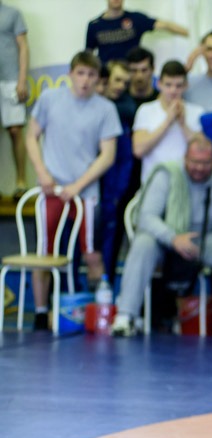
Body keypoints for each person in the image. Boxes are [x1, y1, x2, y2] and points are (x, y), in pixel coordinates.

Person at [110, 136, 212, 338]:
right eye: (195, 162)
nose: (200, 168)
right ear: (185, 158)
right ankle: (126, 315)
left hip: (198, 241)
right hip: (163, 240)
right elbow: (145, 217)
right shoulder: (167, 174)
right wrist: (173, 238)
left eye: (206, 163)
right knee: (143, 242)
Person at [25, 51, 122, 329]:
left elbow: (108, 155)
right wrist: (42, 173)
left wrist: (78, 186)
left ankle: (98, 312)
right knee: (43, 253)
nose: (85, 80)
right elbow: (31, 137)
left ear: (98, 78)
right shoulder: (49, 99)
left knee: (92, 254)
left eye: (91, 75)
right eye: (80, 73)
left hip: (85, 192)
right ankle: (40, 314)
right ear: (70, 74)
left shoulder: (105, 109)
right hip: (50, 189)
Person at [132, 60, 203, 184]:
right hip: (153, 183)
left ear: (186, 86)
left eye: (178, 86)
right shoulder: (145, 110)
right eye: (168, 85)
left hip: (186, 184)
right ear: (159, 84)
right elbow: (139, 150)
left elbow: (201, 151)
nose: (173, 90)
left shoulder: (197, 112)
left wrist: (183, 124)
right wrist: (167, 122)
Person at [98, 60, 137, 277]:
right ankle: (67, 290)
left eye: (125, 83)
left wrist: (117, 192)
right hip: (81, 188)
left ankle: (107, 284)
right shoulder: (87, 107)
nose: (121, 86)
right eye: (117, 80)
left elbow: (125, 159)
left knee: (109, 242)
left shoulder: (124, 111)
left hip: (110, 190)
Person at [86, 0, 187, 65]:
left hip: (133, 74)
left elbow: (165, 25)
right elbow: (87, 55)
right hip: (107, 78)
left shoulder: (136, 19)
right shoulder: (94, 25)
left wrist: (190, 35)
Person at [1, 1, 28, 199]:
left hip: (11, 80)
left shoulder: (12, 13)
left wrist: (22, 81)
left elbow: (23, 47)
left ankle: (21, 183)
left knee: (15, 130)